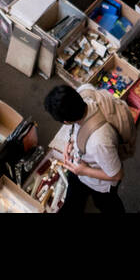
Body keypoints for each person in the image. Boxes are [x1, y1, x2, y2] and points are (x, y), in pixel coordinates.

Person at [43, 83, 126, 215]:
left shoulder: (99, 142)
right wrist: (71, 142)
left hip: (100, 183)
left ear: (66, 122)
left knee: (106, 204)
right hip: (81, 170)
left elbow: (117, 174)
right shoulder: (85, 91)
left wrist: (84, 170)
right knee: (73, 199)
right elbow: (78, 129)